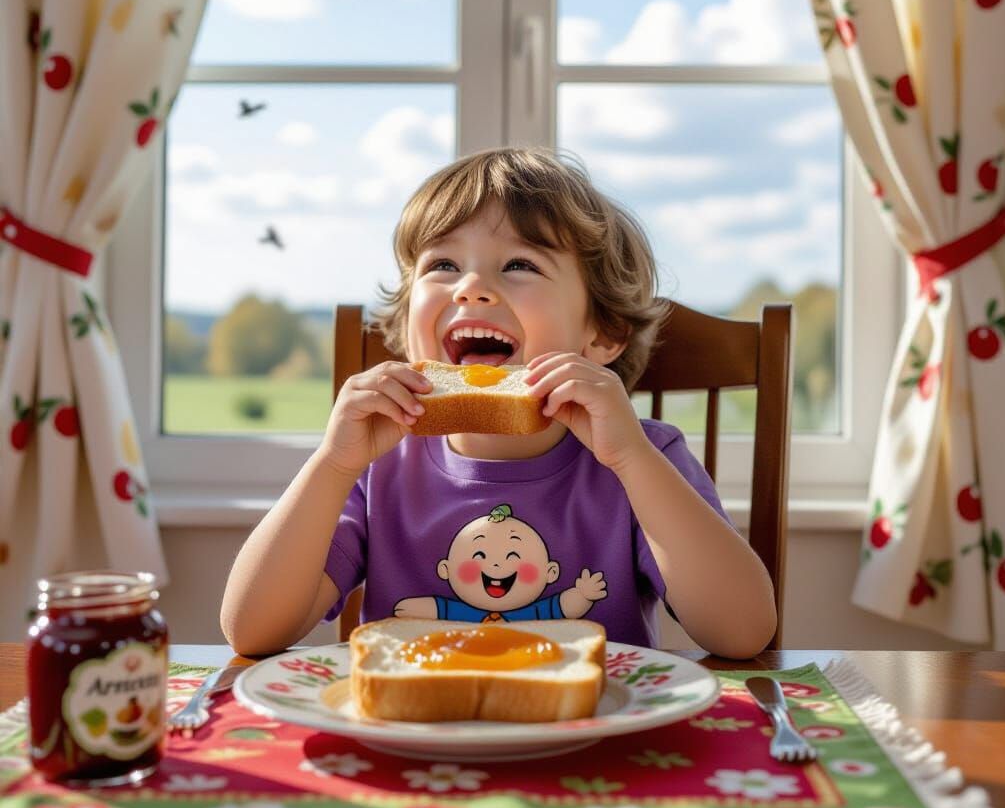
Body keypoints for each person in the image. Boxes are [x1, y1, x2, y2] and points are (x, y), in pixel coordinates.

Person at [220, 148, 777, 658]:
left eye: (519, 265)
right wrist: (332, 464)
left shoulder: (645, 455)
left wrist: (632, 461)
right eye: (442, 265)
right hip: (414, 738)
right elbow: (252, 631)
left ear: (603, 335)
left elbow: (743, 632)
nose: (470, 288)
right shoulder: (374, 462)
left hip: (589, 739)